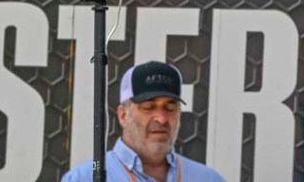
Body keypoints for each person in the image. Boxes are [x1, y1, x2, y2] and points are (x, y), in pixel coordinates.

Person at [62, 61, 226, 182]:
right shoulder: (87, 177)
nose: (161, 118)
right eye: (148, 107)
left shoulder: (208, 179)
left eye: (170, 108)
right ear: (123, 115)